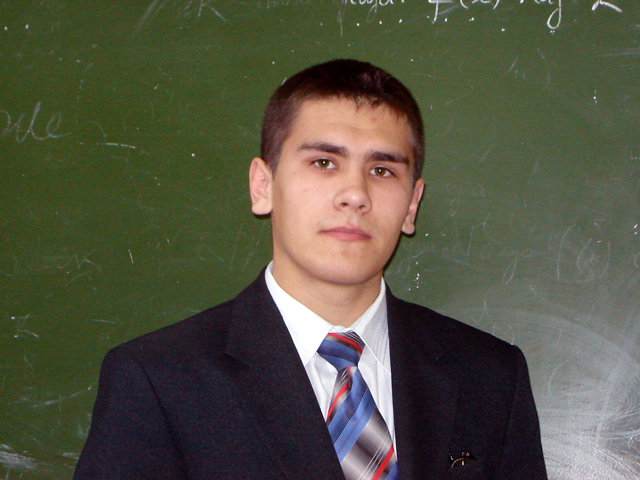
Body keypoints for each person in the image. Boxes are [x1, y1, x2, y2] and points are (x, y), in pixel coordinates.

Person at [74, 59, 547, 480]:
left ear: (411, 204)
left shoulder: (489, 377)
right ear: (263, 186)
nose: (355, 194)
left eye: (382, 170)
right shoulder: (159, 380)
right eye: (324, 162)